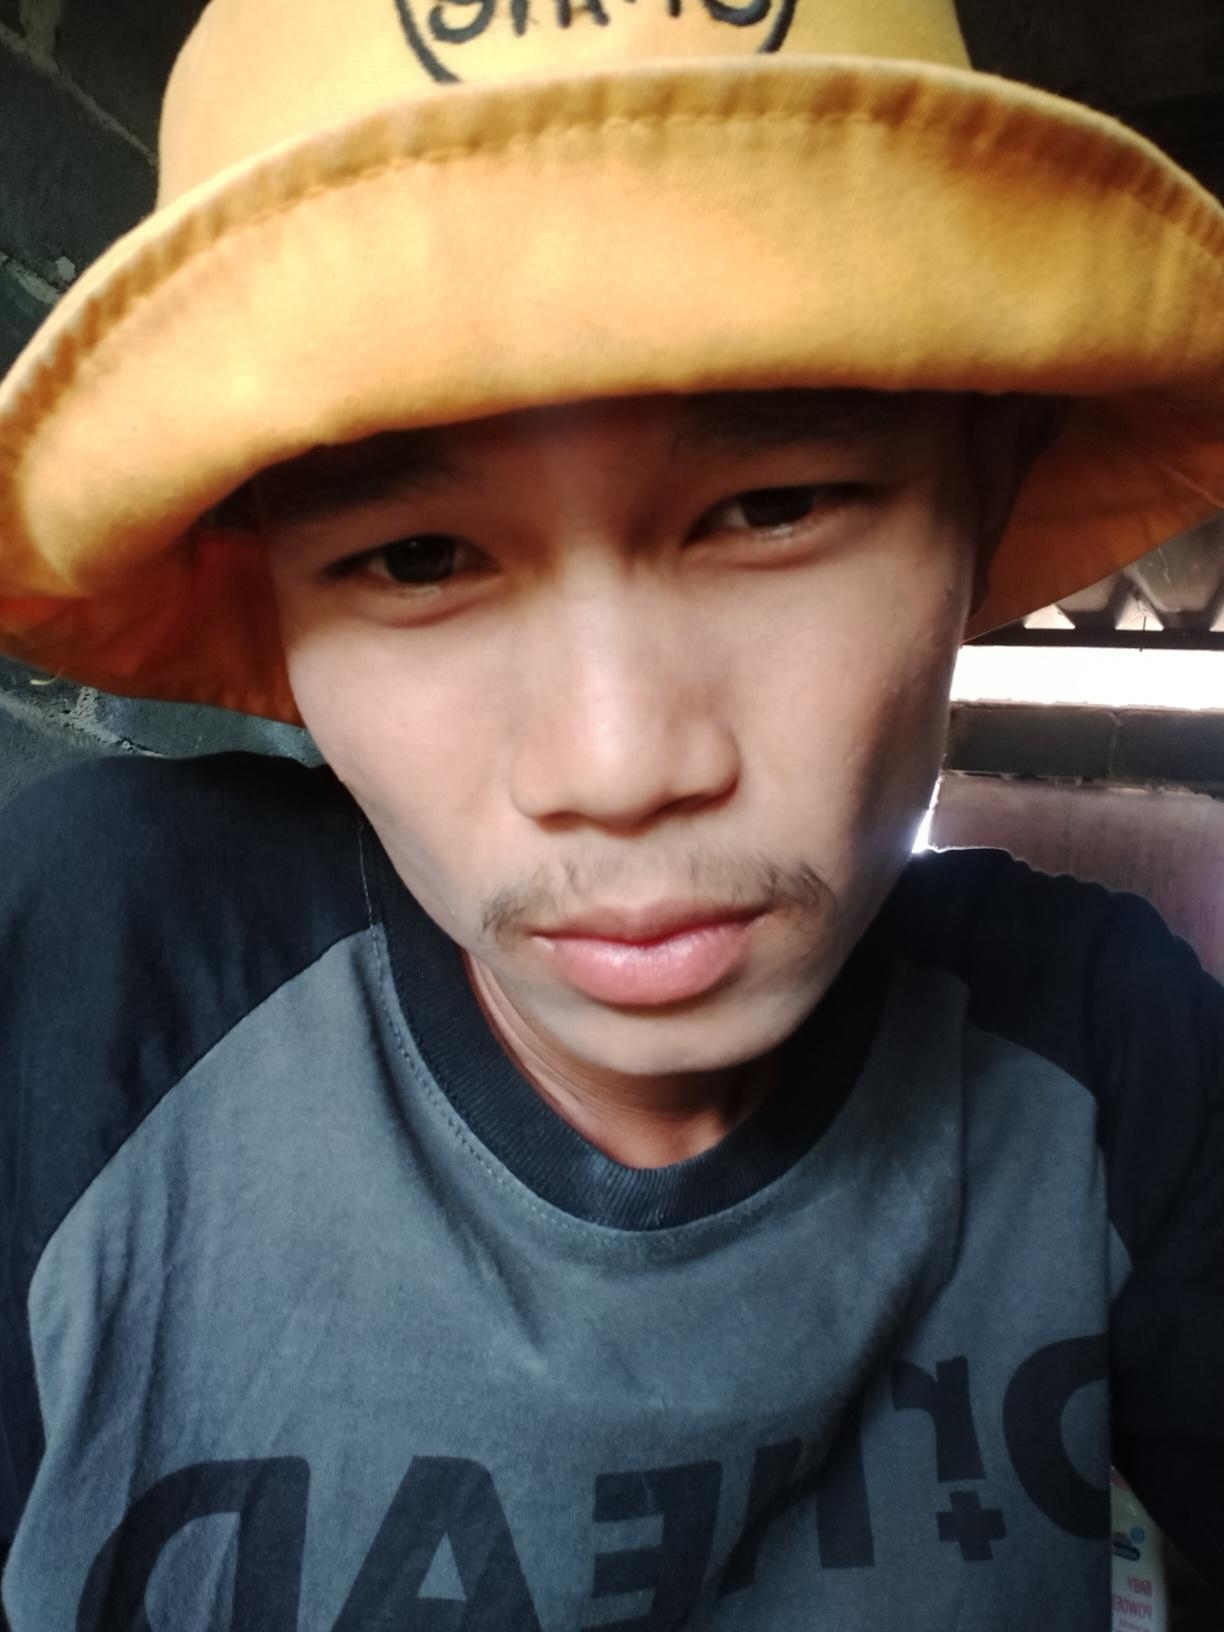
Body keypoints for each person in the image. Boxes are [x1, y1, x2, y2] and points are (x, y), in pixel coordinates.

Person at [0, 0, 1220, 1625]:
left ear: (979, 501)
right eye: (418, 558)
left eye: (771, 507)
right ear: (268, 592)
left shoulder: (1105, 1047)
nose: (620, 762)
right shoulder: (90, 985)